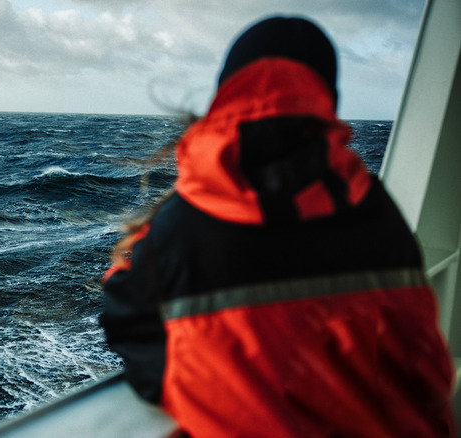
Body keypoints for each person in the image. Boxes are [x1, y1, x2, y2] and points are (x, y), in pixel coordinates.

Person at [100, 16, 455, 437]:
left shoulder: (180, 223)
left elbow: (125, 315)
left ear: (226, 91)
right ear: (326, 98)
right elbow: (425, 360)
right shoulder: (374, 210)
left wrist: (203, 392)